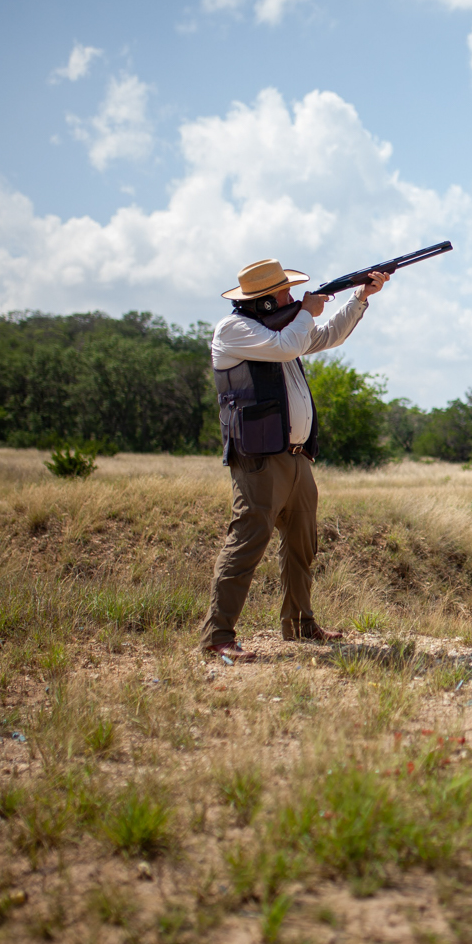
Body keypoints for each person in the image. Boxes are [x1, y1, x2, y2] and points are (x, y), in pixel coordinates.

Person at [199, 257, 388, 663]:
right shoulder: (234, 329)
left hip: (297, 455)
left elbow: (328, 336)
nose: (291, 296)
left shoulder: (283, 329)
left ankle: (300, 625)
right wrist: (305, 311)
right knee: (247, 542)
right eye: (284, 293)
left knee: (302, 544)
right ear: (265, 302)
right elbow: (289, 344)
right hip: (260, 457)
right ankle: (217, 636)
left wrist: (360, 297)